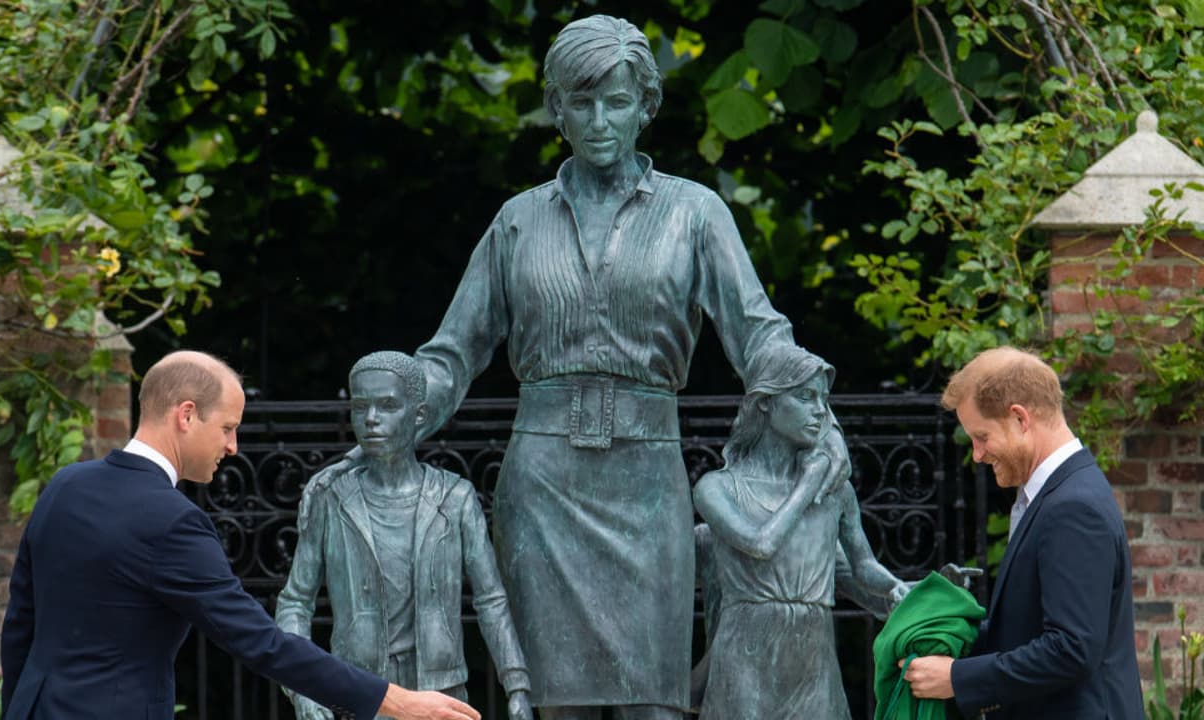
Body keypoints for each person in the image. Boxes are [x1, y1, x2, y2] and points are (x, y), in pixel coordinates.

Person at [395, 14, 850, 720]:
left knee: (655, 703)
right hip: (543, 485)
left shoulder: (696, 214)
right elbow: (452, 353)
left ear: (647, 106)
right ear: (556, 109)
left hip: (648, 476)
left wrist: (812, 410)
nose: (601, 121)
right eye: (582, 103)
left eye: (617, 102)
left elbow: (757, 333)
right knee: (556, 703)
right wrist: (401, 406)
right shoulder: (518, 221)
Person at [0, 350, 479, 720]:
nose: (233, 446)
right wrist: (393, 701)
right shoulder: (173, 522)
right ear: (186, 415)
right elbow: (261, 642)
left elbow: (21, 622)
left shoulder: (65, 486)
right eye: (228, 427)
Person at [275, 352, 533, 720]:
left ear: (420, 415)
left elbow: (490, 600)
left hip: (440, 694)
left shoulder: (454, 498)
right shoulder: (332, 500)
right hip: (357, 693)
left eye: (388, 406)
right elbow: (295, 603)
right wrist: (302, 688)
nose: (372, 420)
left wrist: (517, 685)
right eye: (360, 407)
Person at [903, 346, 1143, 719]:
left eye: (981, 436)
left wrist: (957, 678)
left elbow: (1071, 649)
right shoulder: (1053, 495)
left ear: (1019, 418)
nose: (978, 455)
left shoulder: (1072, 507)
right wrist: (952, 638)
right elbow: (1028, 632)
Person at [692, 342, 908, 720]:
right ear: (765, 403)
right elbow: (761, 544)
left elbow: (863, 568)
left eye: (823, 400)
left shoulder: (836, 492)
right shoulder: (718, 487)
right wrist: (808, 484)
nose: (820, 412)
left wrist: (906, 589)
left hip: (813, 661)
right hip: (746, 659)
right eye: (805, 398)